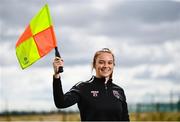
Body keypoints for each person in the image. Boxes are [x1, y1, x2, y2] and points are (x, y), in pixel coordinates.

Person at [52, 48, 129, 121]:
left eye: (109, 62)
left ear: (113, 65)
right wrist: (56, 75)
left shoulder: (119, 91)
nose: (106, 66)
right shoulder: (83, 87)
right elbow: (61, 103)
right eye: (101, 62)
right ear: (94, 65)